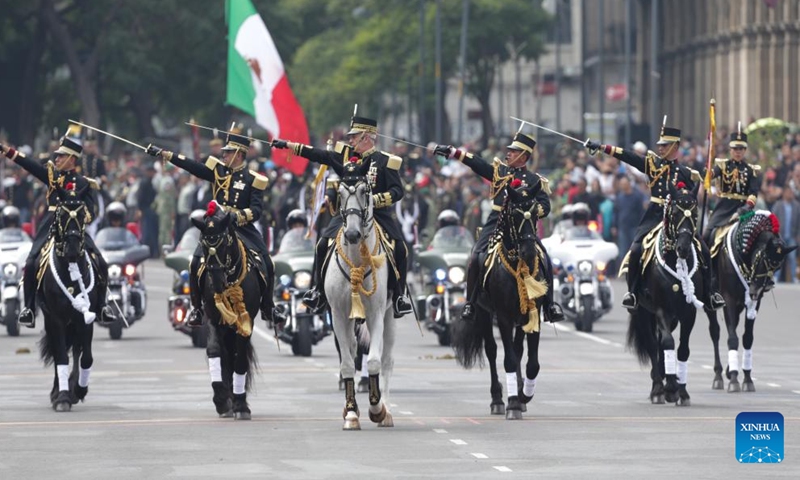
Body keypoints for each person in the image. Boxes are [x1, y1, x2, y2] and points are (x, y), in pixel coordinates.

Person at [272, 114, 414, 318]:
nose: (350, 140)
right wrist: (289, 145)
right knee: (322, 244)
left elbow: (397, 191)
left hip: (378, 215)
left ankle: (399, 296)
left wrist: (375, 201)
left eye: (354, 136)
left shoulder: (384, 161)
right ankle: (318, 290)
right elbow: (318, 154)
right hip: (347, 213)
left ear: (366, 137)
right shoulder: (345, 157)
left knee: (400, 249)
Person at [146, 131, 282, 327]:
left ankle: (268, 307)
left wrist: (236, 216)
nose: (223, 155)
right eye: (224, 152)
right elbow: (192, 166)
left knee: (268, 263)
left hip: (242, 227)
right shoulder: (218, 171)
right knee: (194, 263)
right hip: (217, 226)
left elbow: (257, 210)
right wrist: (165, 154)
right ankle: (196, 308)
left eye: (228, 152)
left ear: (239, 154)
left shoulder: (254, 179)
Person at [585, 124, 725, 311]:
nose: (660, 148)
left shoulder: (685, 172)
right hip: (655, 215)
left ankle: (710, 293)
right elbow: (627, 155)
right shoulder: (652, 164)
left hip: (677, 218)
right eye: (660, 145)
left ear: (675, 147)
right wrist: (603, 147)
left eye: (665, 145)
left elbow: (694, 194)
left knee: (705, 252)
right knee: (635, 249)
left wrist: (705, 185)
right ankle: (633, 292)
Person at [434, 132, 564, 322]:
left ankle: (550, 305)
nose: (508, 154)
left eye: (513, 152)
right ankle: (470, 302)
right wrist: (454, 152)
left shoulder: (536, 180)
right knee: (476, 256)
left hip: (522, 227)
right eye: (509, 151)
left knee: (545, 259)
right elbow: (477, 164)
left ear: (524, 156)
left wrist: (530, 211)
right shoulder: (499, 172)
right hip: (497, 222)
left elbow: (545, 206)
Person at [0, 136, 117, 328]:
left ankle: (102, 306)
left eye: (61, 157)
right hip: (51, 224)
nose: (56, 160)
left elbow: (91, 211)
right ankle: (29, 308)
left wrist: (78, 217)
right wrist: (7, 150)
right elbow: (29, 165)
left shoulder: (84, 183)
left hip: (74, 228)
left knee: (101, 262)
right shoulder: (52, 176)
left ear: (72, 159)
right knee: (30, 263)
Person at [703, 128, 761, 245]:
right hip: (724, 208)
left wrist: (746, 207)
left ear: (745, 150)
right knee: (706, 234)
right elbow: (711, 175)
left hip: (743, 209)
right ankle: (704, 261)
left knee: (758, 236)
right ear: (730, 150)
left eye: (740, 149)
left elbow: (754, 193)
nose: (737, 152)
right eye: (735, 149)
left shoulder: (750, 170)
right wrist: (708, 172)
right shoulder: (723, 165)